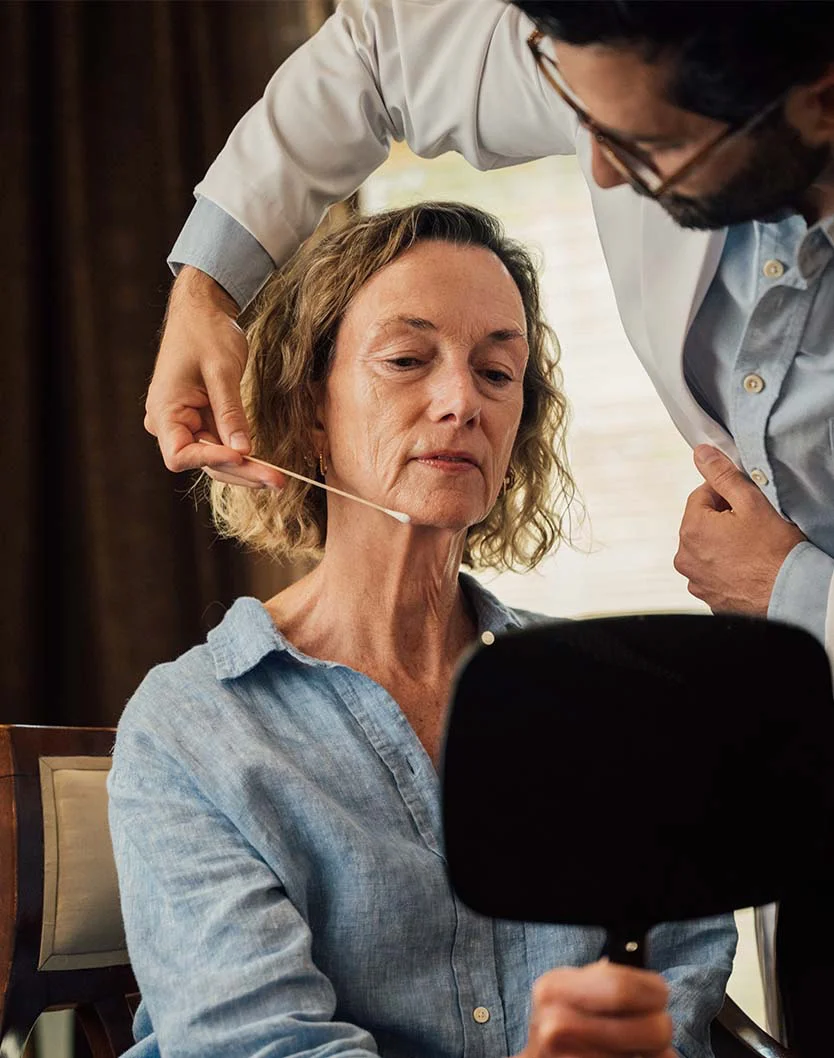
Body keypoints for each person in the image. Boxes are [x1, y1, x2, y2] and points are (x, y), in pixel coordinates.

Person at [110, 202, 735, 1058]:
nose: (460, 402)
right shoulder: (193, 728)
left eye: (498, 373)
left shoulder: (612, 699)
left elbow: (683, 991)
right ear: (309, 407)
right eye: (407, 360)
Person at [144, 0, 834, 660]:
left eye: (651, 145)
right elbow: (373, 61)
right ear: (307, 409)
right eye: (407, 358)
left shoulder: (580, 691)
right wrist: (205, 291)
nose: (598, 168)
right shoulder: (204, 719)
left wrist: (795, 596)